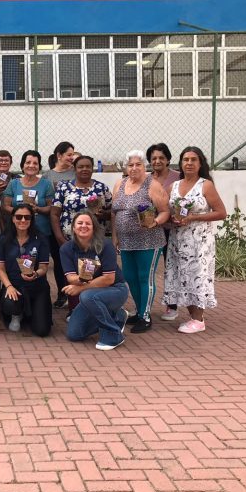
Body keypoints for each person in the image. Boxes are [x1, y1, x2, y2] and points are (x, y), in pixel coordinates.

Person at [162, 147, 227, 334]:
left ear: (200, 163)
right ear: (181, 163)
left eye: (193, 160)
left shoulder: (205, 185)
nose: (189, 163)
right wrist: (170, 218)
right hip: (177, 240)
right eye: (185, 159)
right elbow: (166, 210)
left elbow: (221, 213)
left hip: (199, 242)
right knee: (181, 277)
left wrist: (193, 218)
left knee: (197, 277)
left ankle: (198, 320)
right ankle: (193, 317)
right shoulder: (173, 186)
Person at [111, 150, 170, 333]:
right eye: (130, 165)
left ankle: (145, 316)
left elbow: (165, 211)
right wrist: (115, 236)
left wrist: (156, 222)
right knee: (130, 277)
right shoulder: (120, 184)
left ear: (145, 166)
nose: (134, 168)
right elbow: (114, 213)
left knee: (145, 277)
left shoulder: (152, 185)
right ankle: (138, 310)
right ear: (126, 167)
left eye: (138, 164)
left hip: (148, 241)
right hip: (126, 242)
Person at [51, 155, 112, 315]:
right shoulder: (64, 187)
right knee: (72, 274)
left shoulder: (102, 188)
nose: (84, 169)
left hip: (95, 242)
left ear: (92, 168)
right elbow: (55, 214)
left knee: (94, 273)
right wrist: (60, 238)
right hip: (69, 240)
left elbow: (111, 212)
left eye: (88, 166)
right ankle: (74, 310)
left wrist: (103, 214)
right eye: (80, 166)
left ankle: (95, 307)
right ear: (74, 169)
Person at [60, 211, 129, 350]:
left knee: (86, 296)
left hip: (115, 289)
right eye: (79, 223)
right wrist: (81, 278)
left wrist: (80, 288)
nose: (83, 226)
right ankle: (116, 316)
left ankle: (113, 335)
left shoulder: (105, 245)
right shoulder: (66, 248)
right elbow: (71, 278)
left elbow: (109, 279)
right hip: (91, 295)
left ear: (94, 227)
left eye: (88, 223)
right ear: (73, 227)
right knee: (74, 334)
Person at [2, 151, 62, 305]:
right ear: (22, 165)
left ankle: (39, 300)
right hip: (18, 233)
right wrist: (21, 212)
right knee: (16, 265)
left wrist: (37, 209)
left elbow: (51, 207)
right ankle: (15, 297)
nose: (31, 165)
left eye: (35, 163)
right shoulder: (14, 184)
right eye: (28, 162)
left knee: (40, 266)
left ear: (39, 166)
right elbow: (5, 205)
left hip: (41, 232)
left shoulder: (46, 184)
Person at [0, 203, 52, 337]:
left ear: (32, 219)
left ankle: (30, 311)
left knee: (42, 331)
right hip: (14, 285)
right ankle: (17, 314)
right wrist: (8, 286)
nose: (23, 220)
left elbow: (44, 267)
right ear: (13, 218)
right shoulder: (4, 239)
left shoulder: (40, 238)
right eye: (19, 217)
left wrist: (35, 274)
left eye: (27, 217)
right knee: (10, 303)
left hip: (37, 286)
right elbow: (0, 268)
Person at [146, 143, 182, 321]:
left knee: (172, 267)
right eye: (153, 158)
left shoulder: (178, 177)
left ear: (168, 159)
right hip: (150, 231)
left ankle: (172, 305)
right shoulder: (146, 179)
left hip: (172, 231)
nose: (157, 161)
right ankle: (143, 305)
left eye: (161, 157)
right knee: (147, 269)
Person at [0, 149, 21, 231]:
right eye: (1, 160)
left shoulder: (17, 179)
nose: (3, 162)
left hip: (13, 215)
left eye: (6, 160)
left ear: (10, 163)